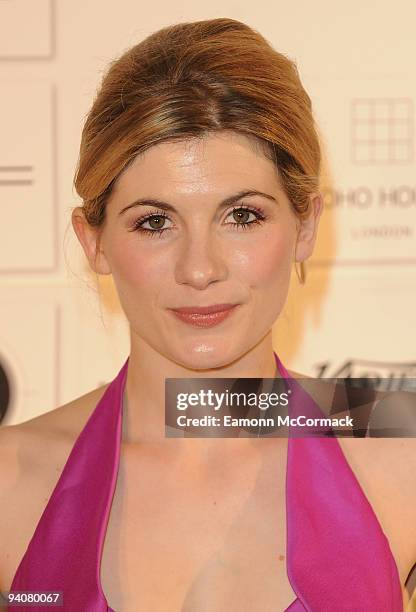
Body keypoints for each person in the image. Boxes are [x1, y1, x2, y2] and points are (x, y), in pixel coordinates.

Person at [0, 17, 415, 612]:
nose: (200, 269)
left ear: (305, 226)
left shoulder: (399, 444)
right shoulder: (9, 478)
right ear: (93, 241)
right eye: (154, 222)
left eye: (242, 216)